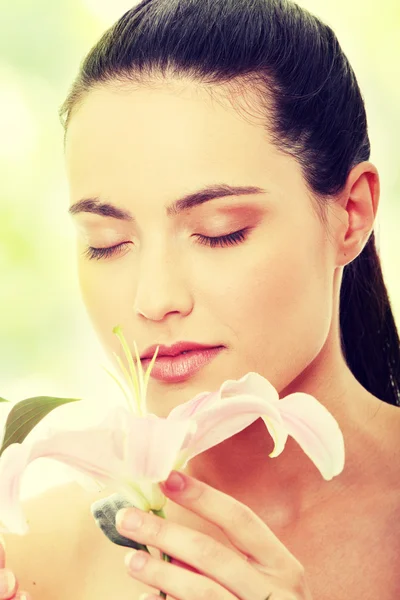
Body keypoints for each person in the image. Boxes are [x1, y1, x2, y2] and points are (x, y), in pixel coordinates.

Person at [1, 0, 400, 598]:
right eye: (107, 244)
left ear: (351, 215)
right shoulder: (35, 552)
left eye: (220, 231)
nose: (153, 300)